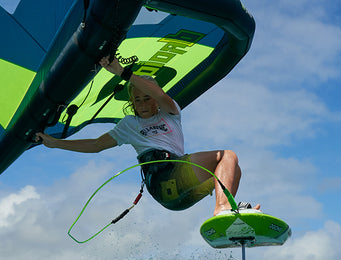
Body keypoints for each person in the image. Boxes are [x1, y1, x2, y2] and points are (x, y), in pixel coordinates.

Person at [36, 56, 257, 216]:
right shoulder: (129, 125)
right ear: (131, 102)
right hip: (162, 181)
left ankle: (230, 210)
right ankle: (224, 208)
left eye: (147, 97)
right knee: (227, 156)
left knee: (230, 168)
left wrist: (125, 73)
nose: (143, 103)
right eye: (137, 99)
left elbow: (159, 94)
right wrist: (56, 143)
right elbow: (95, 145)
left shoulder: (171, 113)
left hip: (181, 198)